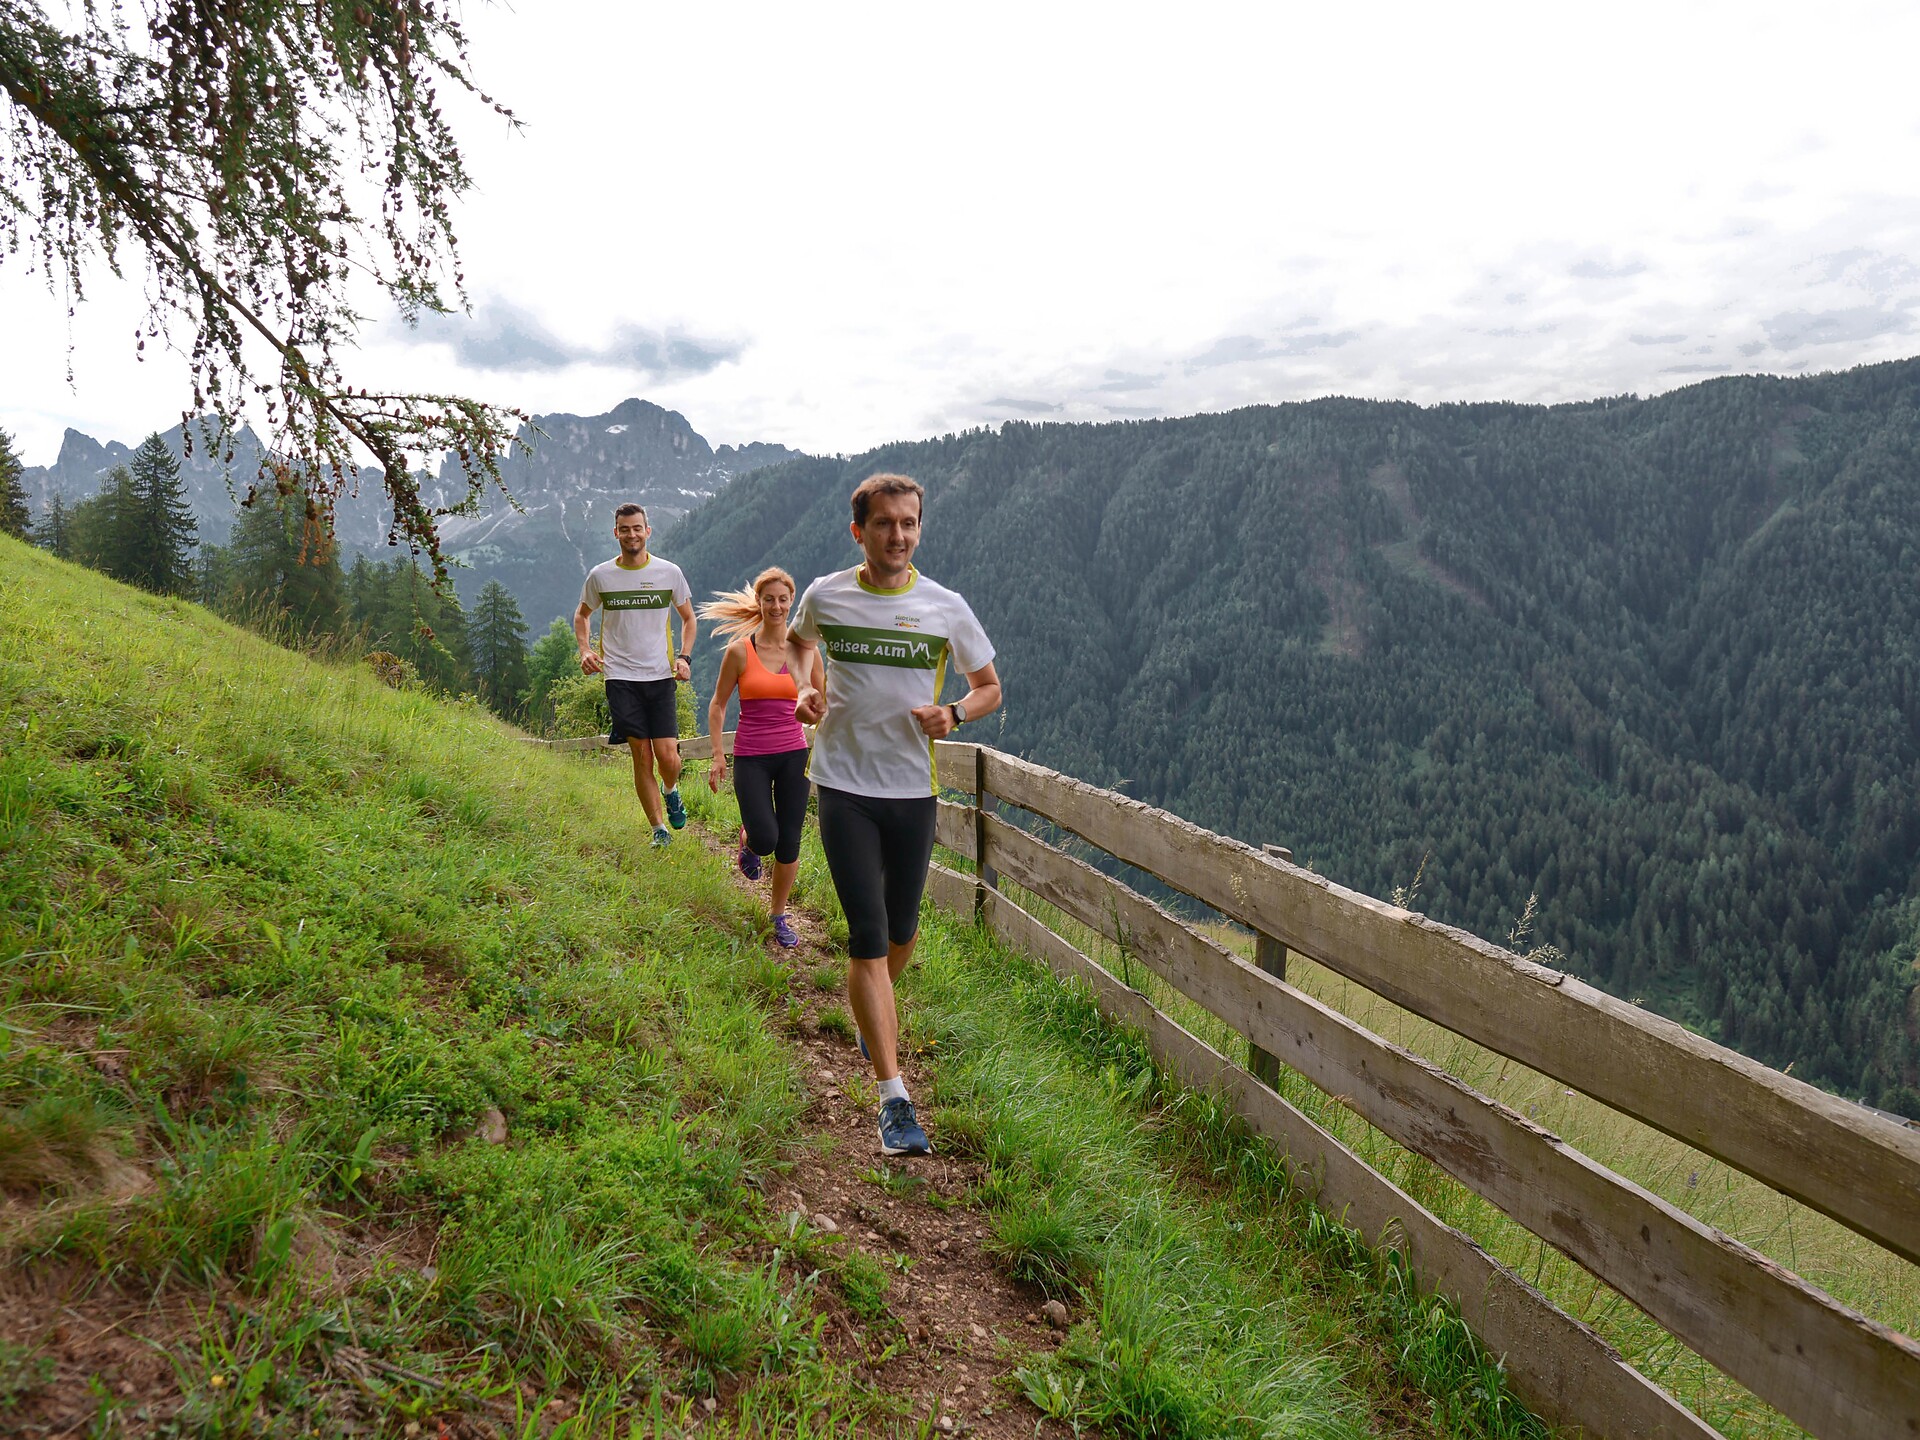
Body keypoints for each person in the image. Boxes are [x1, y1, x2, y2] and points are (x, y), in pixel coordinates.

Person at [785, 473, 1001, 1156]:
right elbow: (798, 642)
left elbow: (990, 686)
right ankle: (893, 1100)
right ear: (860, 531)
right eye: (885, 524)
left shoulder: (945, 607)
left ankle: (870, 1008)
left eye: (909, 524)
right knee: (869, 937)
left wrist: (956, 713)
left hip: (913, 791)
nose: (899, 536)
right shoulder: (827, 594)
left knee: (903, 930)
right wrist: (804, 689)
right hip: (843, 785)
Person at [701, 567, 824, 948]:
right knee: (766, 838)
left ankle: (778, 915)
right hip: (751, 756)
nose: (776, 605)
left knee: (789, 843)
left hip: (793, 755)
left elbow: (824, 703)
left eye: (783, 599)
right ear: (759, 602)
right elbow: (719, 704)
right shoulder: (740, 651)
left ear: (792, 602)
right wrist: (719, 755)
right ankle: (748, 840)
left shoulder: (806, 652)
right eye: (768, 598)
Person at [575, 503, 696, 848]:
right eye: (624, 529)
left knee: (668, 757)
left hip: (660, 675)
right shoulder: (600, 576)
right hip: (619, 677)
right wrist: (585, 650)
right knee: (640, 753)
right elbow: (581, 615)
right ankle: (659, 830)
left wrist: (685, 658)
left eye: (637, 528)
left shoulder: (669, 572)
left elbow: (689, 618)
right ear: (616, 533)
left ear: (648, 531)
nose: (631, 534)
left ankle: (670, 789)